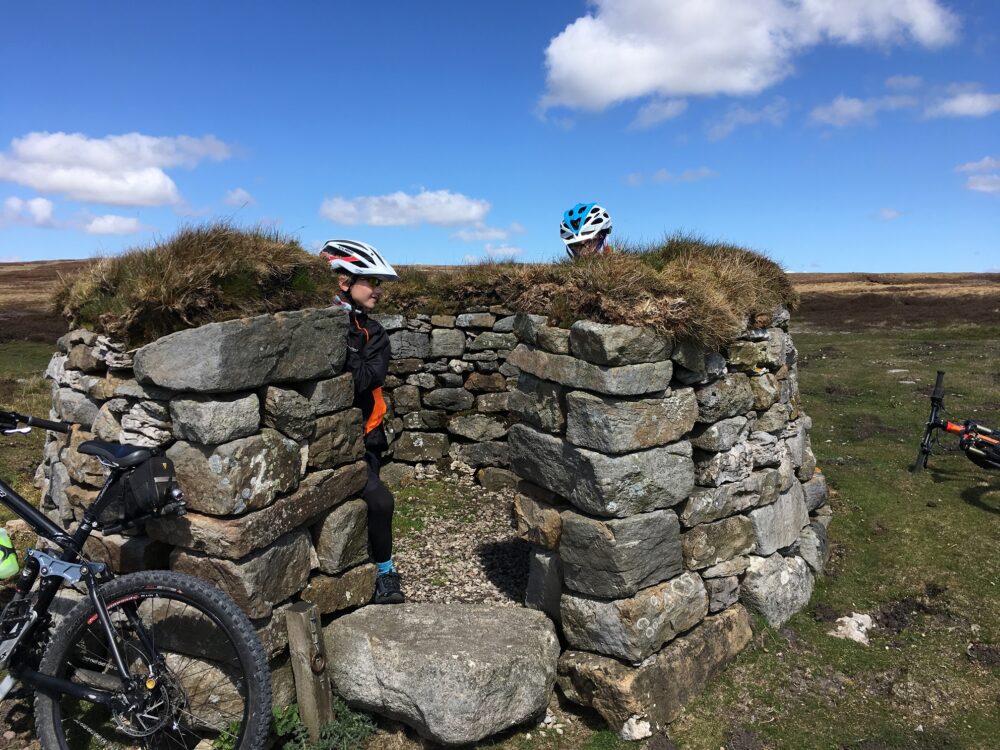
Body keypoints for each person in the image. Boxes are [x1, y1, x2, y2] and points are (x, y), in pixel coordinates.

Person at [320, 239, 405, 605]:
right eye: (371, 281)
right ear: (345, 283)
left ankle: (385, 573)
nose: (379, 290)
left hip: (365, 436)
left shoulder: (375, 332)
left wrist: (345, 353)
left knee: (381, 503)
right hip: (325, 439)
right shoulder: (321, 324)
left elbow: (367, 377)